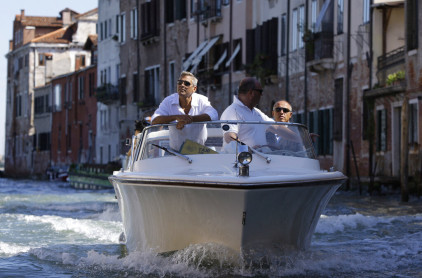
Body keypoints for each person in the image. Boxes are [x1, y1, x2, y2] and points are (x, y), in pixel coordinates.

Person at [151, 71, 218, 150]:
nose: (182, 85)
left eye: (186, 83)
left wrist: (190, 119)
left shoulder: (201, 100)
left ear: (194, 88)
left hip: (198, 152)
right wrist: (176, 117)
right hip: (176, 152)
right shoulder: (168, 101)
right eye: (179, 82)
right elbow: (154, 120)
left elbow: (213, 114)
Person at [220, 77, 274, 147]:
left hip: (261, 156)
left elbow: (276, 127)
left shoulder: (257, 112)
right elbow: (229, 137)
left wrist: (293, 136)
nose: (262, 95)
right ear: (251, 92)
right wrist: (249, 149)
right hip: (241, 157)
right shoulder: (232, 111)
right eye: (260, 91)